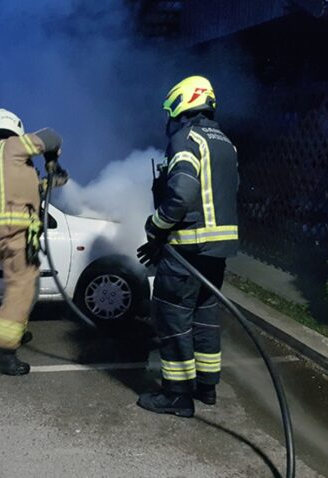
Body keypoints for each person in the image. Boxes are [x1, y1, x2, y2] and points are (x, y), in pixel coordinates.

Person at [137, 76, 239, 417]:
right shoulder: (225, 143)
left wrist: (156, 227)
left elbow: (181, 194)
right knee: (205, 316)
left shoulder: (186, 139)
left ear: (182, 105)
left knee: (172, 318)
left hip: (187, 252)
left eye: (171, 112)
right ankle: (206, 387)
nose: (169, 120)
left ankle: (176, 396)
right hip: (217, 252)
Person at [0, 108, 68, 375]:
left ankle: (15, 330)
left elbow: (22, 192)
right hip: (15, 231)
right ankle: (2, 353)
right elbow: (52, 136)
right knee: (20, 288)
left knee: (28, 284)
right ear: (15, 129)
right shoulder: (10, 146)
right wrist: (52, 159)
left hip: (11, 231)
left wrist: (48, 183)